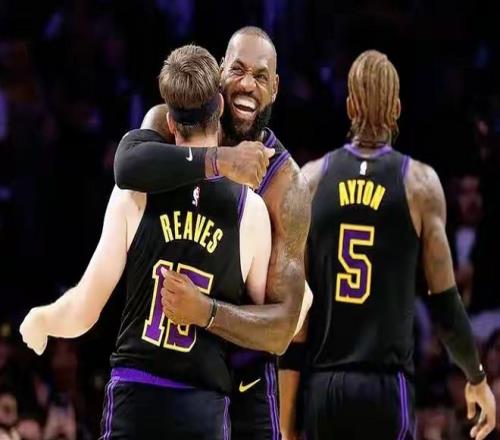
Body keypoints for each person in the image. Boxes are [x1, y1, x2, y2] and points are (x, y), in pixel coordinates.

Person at [19, 44, 275, 439]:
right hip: (203, 407)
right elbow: (257, 331)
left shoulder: (134, 194)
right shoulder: (251, 211)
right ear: (221, 108)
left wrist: (43, 319)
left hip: (135, 399)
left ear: (169, 121)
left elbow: (84, 310)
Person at [279, 50, 496, 440]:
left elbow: (297, 315)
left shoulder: (310, 181)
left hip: (326, 386)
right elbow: (446, 305)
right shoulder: (420, 184)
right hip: (385, 389)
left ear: (349, 107)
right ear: (397, 108)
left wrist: (287, 419)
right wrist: (476, 376)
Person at [113, 26, 311, 439]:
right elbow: (127, 167)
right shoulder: (175, 121)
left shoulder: (285, 186)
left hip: (245, 377)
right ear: (220, 73)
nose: (247, 84)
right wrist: (219, 160)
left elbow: (282, 328)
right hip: (173, 366)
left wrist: (206, 311)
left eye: (260, 76)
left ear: (275, 88)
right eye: (238, 70)